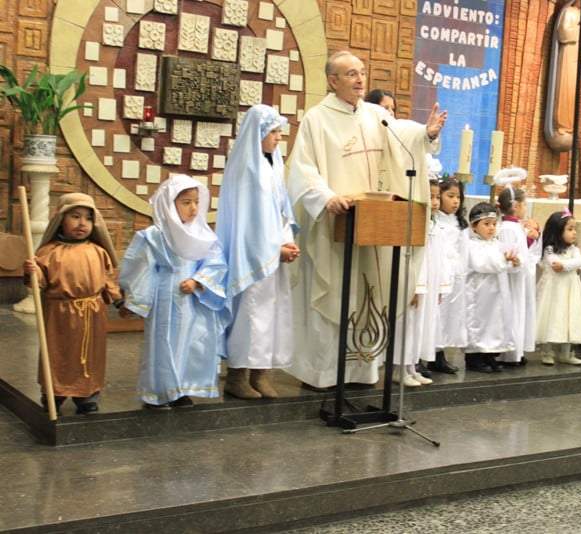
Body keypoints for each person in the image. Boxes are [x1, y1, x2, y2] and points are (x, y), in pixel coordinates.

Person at [286, 50, 447, 389]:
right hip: (337, 221)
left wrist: (426, 134)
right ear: (333, 80)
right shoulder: (317, 119)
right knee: (335, 292)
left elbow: (406, 137)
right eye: (350, 74)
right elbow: (302, 169)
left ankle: (362, 371)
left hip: (372, 224)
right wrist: (327, 197)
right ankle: (324, 373)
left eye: (361, 72)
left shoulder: (377, 115)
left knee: (369, 291)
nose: (360, 79)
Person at [119, 175, 228, 409]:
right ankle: (158, 392)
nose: (193, 208)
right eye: (186, 202)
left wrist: (198, 281)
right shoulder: (155, 236)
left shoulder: (202, 236)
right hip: (164, 299)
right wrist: (139, 301)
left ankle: (181, 389)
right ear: (169, 204)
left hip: (192, 302)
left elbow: (216, 263)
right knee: (162, 343)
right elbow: (139, 266)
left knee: (190, 344)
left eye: (196, 202)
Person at [215, 105, 300, 399]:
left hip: (276, 252)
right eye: (273, 132)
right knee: (250, 315)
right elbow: (245, 221)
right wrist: (273, 248)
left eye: (279, 132)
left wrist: (287, 241)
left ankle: (261, 374)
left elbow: (281, 209)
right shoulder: (245, 168)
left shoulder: (274, 164)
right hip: (253, 255)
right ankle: (237, 376)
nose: (278, 138)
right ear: (258, 132)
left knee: (272, 313)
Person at [22, 193, 123, 415]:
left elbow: (107, 278)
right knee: (58, 352)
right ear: (61, 219)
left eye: (88, 218)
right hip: (59, 313)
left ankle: (87, 395)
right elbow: (38, 280)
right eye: (75, 216)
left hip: (92, 313)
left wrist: (117, 299)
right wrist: (33, 271)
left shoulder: (98, 251)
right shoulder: (48, 252)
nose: (82, 223)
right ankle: (54, 392)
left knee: (91, 355)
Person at [393, 177, 450, 386]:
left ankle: (412, 366)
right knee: (407, 326)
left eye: (437, 197)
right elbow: (413, 257)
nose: (435, 202)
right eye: (430, 197)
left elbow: (440, 256)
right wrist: (414, 287)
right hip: (417, 282)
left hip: (430, 283)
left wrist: (440, 286)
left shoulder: (435, 223)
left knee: (420, 327)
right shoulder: (414, 223)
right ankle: (399, 369)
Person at [463, 202, 518, 372]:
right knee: (479, 323)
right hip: (480, 293)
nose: (491, 228)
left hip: (497, 292)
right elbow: (483, 264)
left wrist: (513, 261)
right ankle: (474, 358)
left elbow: (504, 264)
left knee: (496, 322)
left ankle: (490, 355)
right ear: (474, 226)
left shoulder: (496, 244)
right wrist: (504, 260)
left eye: (494, 224)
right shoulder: (472, 245)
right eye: (486, 224)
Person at [536, 209, 581, 365]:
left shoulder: (574, 250)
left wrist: (565, 265)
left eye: (575, 229)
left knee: (569, 318)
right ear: (557, 231)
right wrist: (566, 265)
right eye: (570, 229)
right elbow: (554, 264)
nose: (574, 233)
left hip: (570, 291)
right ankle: (547, 351)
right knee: (552, 318)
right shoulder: (549, 249)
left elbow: (579, 262)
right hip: (553, 292)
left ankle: (566, 353)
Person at [495, 169, 542, 366]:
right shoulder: (506, 228)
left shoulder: (515, 227)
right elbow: (509, 256)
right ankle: (509, 352)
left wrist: (531, 239)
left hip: (520, 279)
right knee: (511, 313)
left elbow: (525, 252)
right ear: (515, 206)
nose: (525, 208)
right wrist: (520, 258)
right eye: (523, 204)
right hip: (512, 281)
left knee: (520, 313)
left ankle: (517, 351)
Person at [432, 176, 468, 374]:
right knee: (436, 316)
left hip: (456, 276)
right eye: (450, 196)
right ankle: (425, 355)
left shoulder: (458, 222)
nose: (455, 201)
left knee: (448, 318)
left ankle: (439, 354)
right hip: (439, 274)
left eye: (458, 197)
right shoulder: (435, 220)